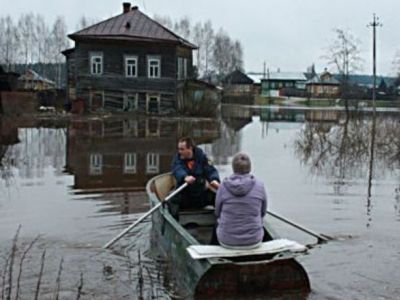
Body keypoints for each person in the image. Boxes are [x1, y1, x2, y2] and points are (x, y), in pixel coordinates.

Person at [212, 152, 267, 248]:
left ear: (233, 168)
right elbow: (263, 212)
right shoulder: (260, 186)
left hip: (227, 242)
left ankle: (212, 248)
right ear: (250, 168)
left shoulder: (223, 186)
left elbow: (217, 212)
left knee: (217, 222)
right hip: (254, 241)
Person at [169, 137, 220, 220]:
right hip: (185, 195)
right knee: (172, 201)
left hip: (200, 195)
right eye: (179, 149)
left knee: (218, 198)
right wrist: (185, 177)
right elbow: (177, 169)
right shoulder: (177, 158)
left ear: (190, 149)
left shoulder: (201, 157)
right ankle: (175, 224)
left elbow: (210, 169)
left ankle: (221, 223)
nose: (179, 152)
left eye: (182, 149)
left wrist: (214, 179)